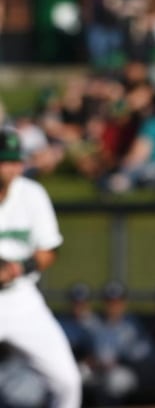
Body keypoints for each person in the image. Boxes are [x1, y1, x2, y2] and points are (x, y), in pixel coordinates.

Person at [0, 127, 82, 408]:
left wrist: (20, 267)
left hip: (21, 298)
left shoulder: (32, 194)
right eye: (4, 160)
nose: (11, 167)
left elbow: (50, 249)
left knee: (68, 381)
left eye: (15, 160)